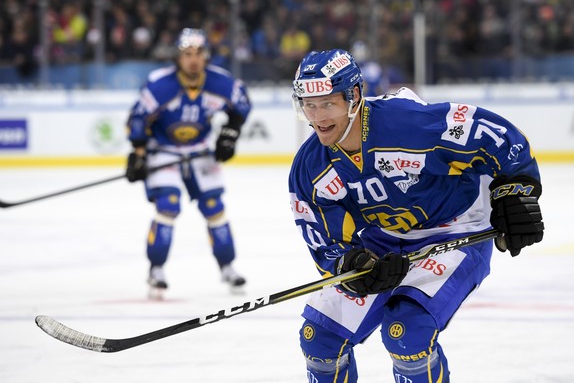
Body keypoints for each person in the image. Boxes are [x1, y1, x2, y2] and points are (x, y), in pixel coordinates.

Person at [288, 49, 544, 382]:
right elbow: (325, 240)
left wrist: (515, 192)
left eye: (327, 103)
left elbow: (496, 136)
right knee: (320, 340)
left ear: (354, 97)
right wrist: (352, 266)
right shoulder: (311, 167)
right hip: (384, 240)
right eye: (309, 105)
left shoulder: (407, 123)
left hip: (455, 230)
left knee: (407, 332)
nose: (317, 117)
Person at [125, 28, 252, 299]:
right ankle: (156, 270)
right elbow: (137, 118)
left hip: (200, 150)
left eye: (198, 54)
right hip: (164, 151)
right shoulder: (160, 84)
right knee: (168, 206)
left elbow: (242, 106)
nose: (193, 60)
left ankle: (227, 266)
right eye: (187, 54)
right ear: (178, 57)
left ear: (207, 56)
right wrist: (138, 153)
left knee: (214, 207)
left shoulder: (221, 83)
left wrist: (229, 135)